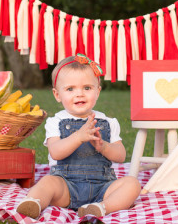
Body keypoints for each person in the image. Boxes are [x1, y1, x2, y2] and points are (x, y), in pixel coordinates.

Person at [16, 54, 141, 219]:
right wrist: (78, 137)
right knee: (47, 182)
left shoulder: (108, 122)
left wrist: (104, 147)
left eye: (87, 88)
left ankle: (101, 207)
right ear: (57, 95)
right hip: (66, 186)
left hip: (103, 187)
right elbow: (56, 152)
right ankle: (34, 201)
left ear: (98, 91)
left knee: (132, 184)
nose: (80, 94)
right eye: (70, 89)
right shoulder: (56, 121)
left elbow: (121, 155)